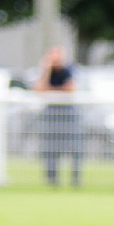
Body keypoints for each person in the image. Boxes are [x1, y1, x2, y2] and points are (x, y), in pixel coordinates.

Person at [33, 45, 82, 187]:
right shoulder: (45, 72)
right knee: (50, 149)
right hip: (50, 115)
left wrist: (52, 91)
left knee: (75, 149)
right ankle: (52, 180)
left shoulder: (69, 70)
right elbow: (39, 89)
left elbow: (70, 89)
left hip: (69, 116)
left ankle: (75, 180)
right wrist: (47, 70)